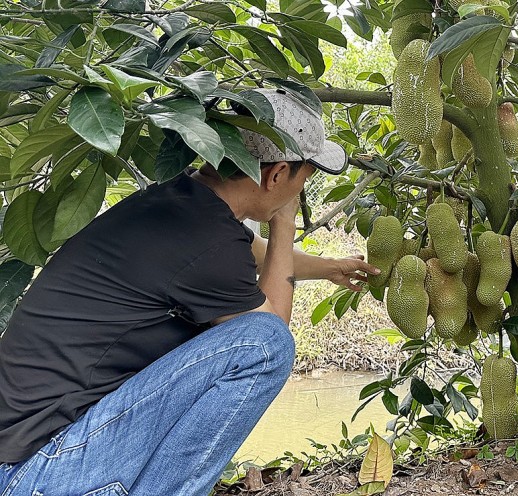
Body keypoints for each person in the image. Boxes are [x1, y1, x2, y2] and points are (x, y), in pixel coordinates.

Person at [0, 88, 379, 495]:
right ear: (278, 175)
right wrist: (284, 221)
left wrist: (329, 268)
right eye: (305, 178)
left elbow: (252, 255)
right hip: (38, 471)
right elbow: (272, 332)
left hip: (26, 455)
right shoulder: (209, 242)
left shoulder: (182, 205)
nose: (301, 192)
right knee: (266, 343)